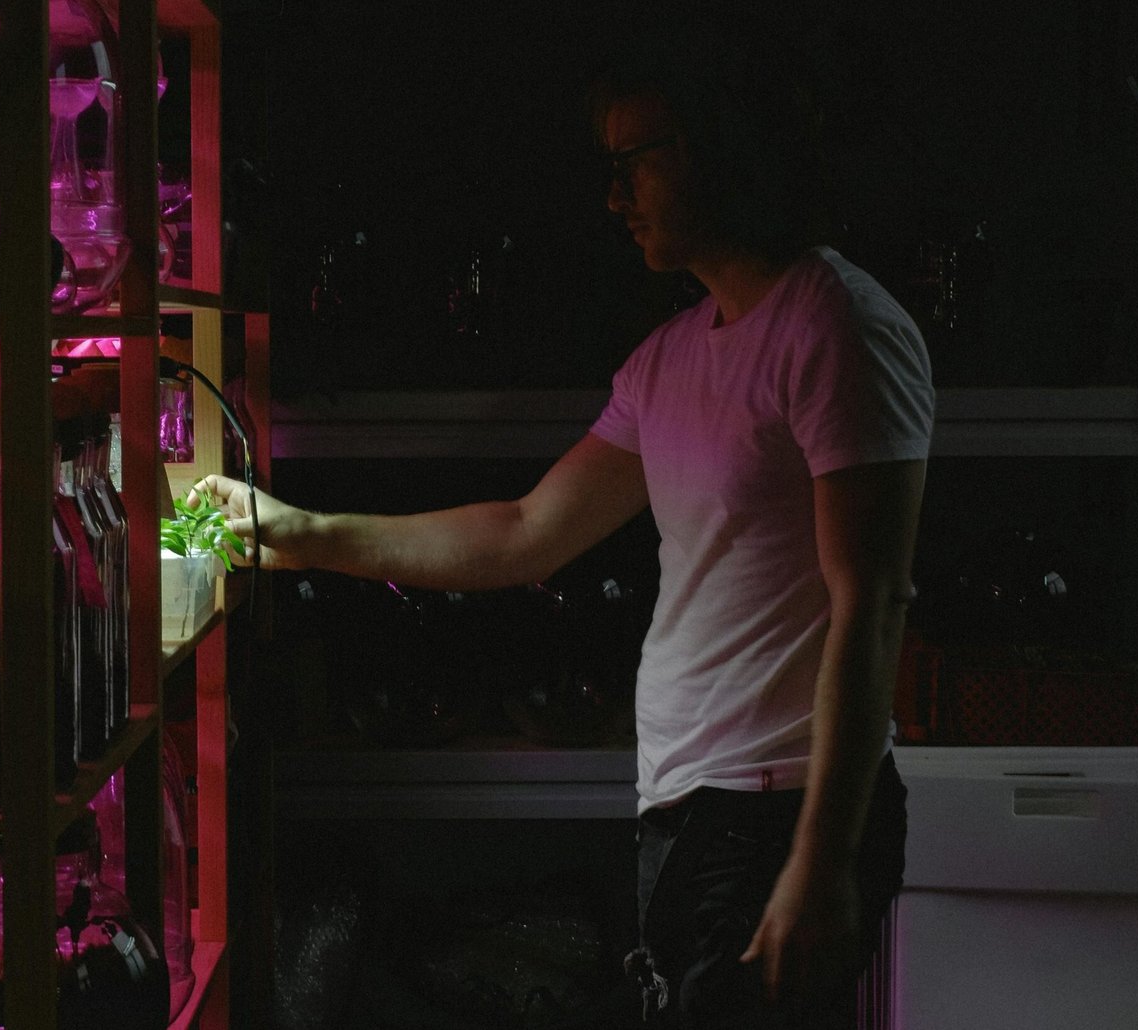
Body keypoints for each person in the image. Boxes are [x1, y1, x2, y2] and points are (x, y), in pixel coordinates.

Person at [197, 15, 933, 1029]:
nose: (613, 192)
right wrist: (297, 529)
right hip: (690, 806)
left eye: (636, 157)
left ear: (722, 145)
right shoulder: (671, 357)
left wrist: (820, 861)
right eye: (609, 162)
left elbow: (874, 605)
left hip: (777, 812)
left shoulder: (834, 326)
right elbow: (523, 531)